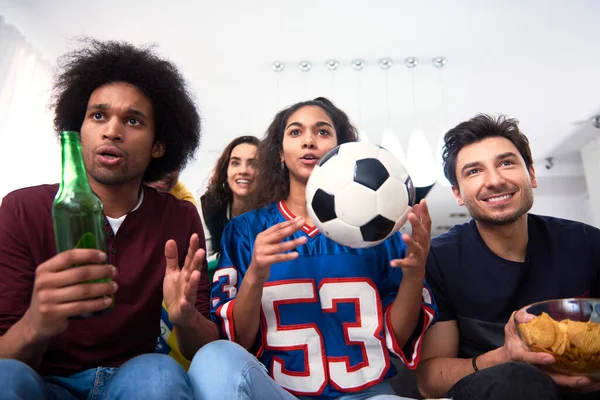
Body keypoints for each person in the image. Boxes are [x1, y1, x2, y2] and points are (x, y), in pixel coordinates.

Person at [0, 38, 219, 399]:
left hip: (136, 377)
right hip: (44, 381)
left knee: (161, 374)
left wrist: (185, 318)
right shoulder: (22, 209)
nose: (112, 131)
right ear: (78, 129)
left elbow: (202, 349)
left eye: (132, 120)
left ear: (158, 146)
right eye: (98, 115)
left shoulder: (178, 217)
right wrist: (37, 320)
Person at [188, 97, 438, 400]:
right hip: (279, 393)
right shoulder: (246, 231)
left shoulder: (380, 227)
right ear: (279, 153)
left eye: (322, 132)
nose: (308, 141)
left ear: (340, 148)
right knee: (212, 357)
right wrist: (255, 274)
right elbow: (239, 341)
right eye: (295, 133)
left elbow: (397, 337)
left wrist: (414, 276)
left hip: (367, 394)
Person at [415, 114, 600, 400]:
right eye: (474, 171)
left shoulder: (587, 243)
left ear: (532, 175)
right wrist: (504, 356)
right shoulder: (439, 260)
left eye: (506, 163)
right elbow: (429, 381)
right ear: (458, 194)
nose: (495, 180)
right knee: (519, 379)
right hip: (497, 389)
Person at [199, 135, 259, 264]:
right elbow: (204, 264)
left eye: (253, 164)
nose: (243, 171)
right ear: (226, 172)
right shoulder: (208, 208)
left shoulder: (277, 213)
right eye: (235, 163)